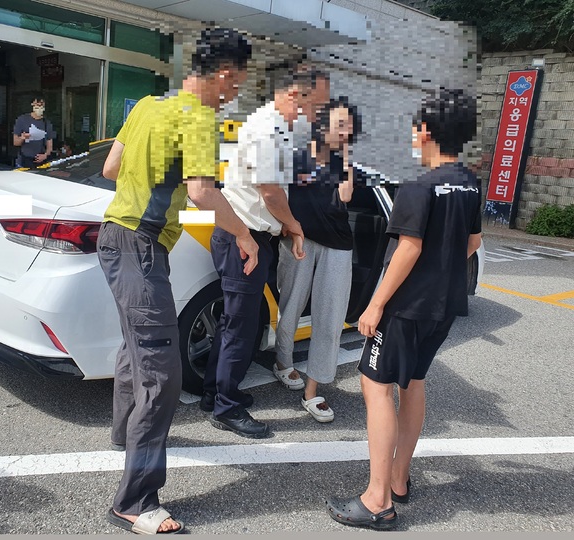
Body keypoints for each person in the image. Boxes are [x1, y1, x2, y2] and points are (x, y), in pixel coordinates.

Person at [98, 28, 256, 535]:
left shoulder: (146, 105)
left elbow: (111, 167)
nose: (235, 92)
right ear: (225, 74)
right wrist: (245, 235)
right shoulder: (200, 119)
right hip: (140, 248)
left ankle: (127, 435)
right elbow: (202, 193)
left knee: (136, 350)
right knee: (162, 375)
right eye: (238, 83)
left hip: (114, 237)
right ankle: (136, 501)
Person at [325, 89, 482, 530]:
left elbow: (407, 249)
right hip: (445, 305)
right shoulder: (468, 181)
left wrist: (375, 305)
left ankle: (377, 501)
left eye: (416, 128)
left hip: (406, 306)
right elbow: (473, 243)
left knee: (376, 388)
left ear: (427, 132)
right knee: (414, 381)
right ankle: (398, 478)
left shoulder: (419, 184)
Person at [200, 66, 331, 438]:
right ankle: (226, 407)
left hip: (250, 236)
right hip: (245, 238)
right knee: (240, 327)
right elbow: (269, 190)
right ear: (294, 95)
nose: (313, 114)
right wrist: (295, 224)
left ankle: (216, 393)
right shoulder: (267, 129)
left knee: (233, 322)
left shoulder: (274, 128)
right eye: (312, 105)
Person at [273, 97, 362, 422]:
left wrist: (347, 157)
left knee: (329, 316)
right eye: (339, 123)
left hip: (337, 245)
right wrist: (287, 227)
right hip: (299, 239)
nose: (343, 131)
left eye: (349, 127)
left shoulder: (344, 162)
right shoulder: (295, 152)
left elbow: (346, 196)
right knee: (291, 304)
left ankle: (313, 390)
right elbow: (277, 194)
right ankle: (283, 361)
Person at [12, 97, 54, 168]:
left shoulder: (47, 123)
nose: (39, 107)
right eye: (37, 105)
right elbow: (15, 143)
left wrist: (45, 155)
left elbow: (49, 144)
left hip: (40, 163)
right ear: (32, 105)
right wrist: (23, 138)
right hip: (24, 161)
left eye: (41, 105)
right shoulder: (22, 120)